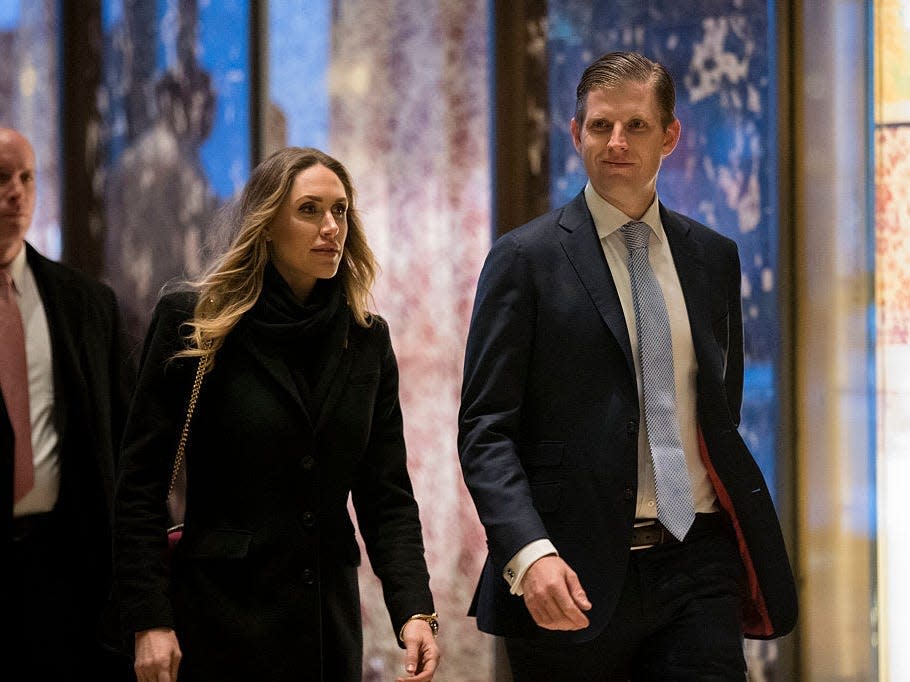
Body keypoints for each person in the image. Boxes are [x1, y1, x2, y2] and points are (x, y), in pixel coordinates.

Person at [457, 51, 798, 680]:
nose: (616, 142)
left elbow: (718, 411)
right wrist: (529, 554)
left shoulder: (714, 258)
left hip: (698, 561)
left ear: (670, 135)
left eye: (636, 125)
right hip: (569, 573)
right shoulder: (523, 261)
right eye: (600, 126)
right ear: (576, 133)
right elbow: (486, 431)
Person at [113, 146, 440, 682]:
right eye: (309, 210)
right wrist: (149, 619)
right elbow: (139, 488)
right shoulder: (195, 322)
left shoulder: (366, 340)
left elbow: (387, 496)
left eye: (340, 210)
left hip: (325, 627)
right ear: (265, 225)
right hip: (220, 619)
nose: (330, 226)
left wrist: (414, 609)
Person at [0, 126, 134, 679]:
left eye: (27, 177)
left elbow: (128, 448)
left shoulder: (85, 303)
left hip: (67, 566)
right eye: (1, 177)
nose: (17, 192)